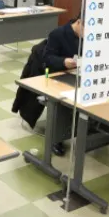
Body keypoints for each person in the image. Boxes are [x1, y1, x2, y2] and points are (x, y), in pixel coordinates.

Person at [43, 17, 83, 156]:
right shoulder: (58, 34)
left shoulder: (89, 37)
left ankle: (90, 131)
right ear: (79, 22)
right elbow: (47, 58)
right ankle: (57, 138)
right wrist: (63, 62)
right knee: (65, 101)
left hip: (79, 74)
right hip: (58, 75)